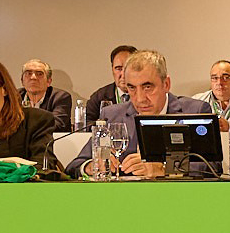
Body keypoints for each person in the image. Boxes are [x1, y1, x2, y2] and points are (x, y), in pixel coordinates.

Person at [69, 50, 212, 178]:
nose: (140, 99)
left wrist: (164, 169)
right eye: (132, 88)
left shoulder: (195, 111)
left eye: (147, 87)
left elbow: (211, 166)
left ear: (166, 84)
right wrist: (91, 166)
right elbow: (75, 165)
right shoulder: (112, 115)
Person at [18, 58, 78, 131]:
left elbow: (57, 125)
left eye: (39, 74)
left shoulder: (60, 97)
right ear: (22, 81)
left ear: (48, 81)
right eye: (28, 73)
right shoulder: (13, 97)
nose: (33, 77)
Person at [82, 44, 137, 124]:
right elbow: (87, 124)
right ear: (112, 70)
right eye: (118, 68)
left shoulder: (147, 95)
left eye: (127, 68)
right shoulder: (99, 97)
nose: (123, 74)